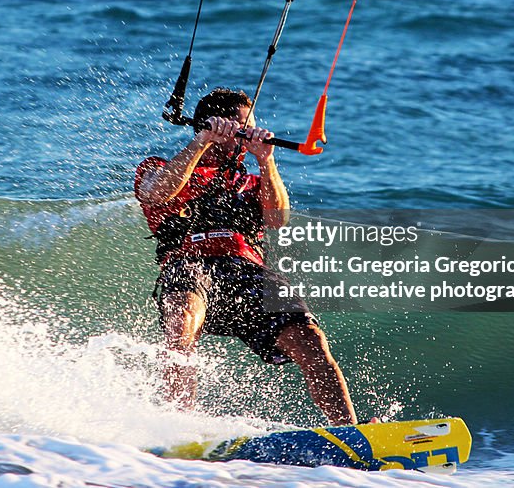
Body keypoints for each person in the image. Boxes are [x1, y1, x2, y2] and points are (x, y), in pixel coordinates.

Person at [134, 87, 359, 425]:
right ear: (214, 125)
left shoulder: (251, 181)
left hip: (246, 272)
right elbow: (155, 195)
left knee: (310, 340)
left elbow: (277, 219)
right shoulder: (160, 167)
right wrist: (203, 142)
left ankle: (350, 433)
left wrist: (266, 160)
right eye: (243, 127)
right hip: (189, 265)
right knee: (182, 323)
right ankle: (177, 427)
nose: (248, 134)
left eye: (251, 126)